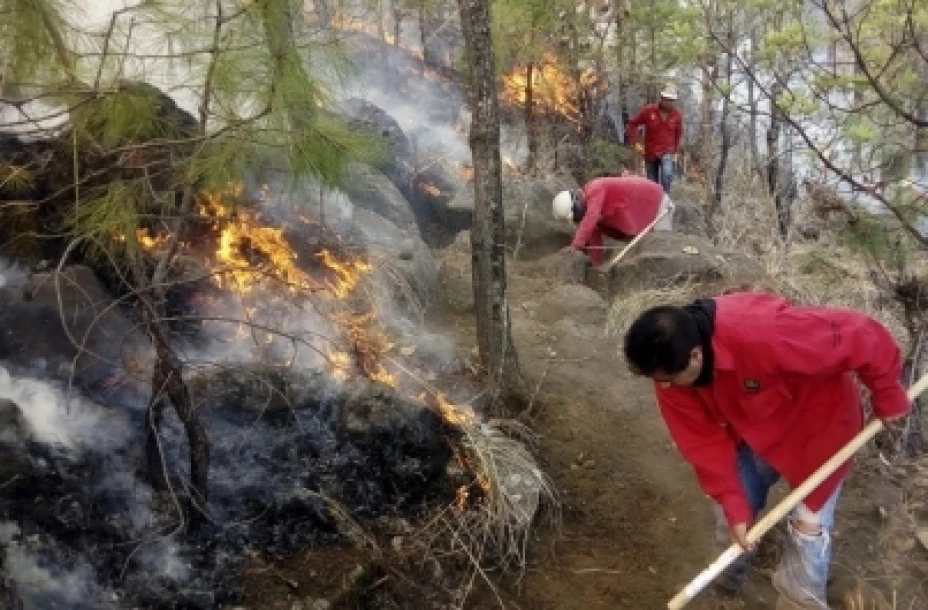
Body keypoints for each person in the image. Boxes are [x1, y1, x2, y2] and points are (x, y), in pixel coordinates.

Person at [622, 291, 910, 609]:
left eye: (669, 380)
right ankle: (725, 589)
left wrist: (888, 395)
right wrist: (734, 502)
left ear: (695, 355)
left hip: (820, 427)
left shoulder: (763, 331)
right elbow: (702, 442)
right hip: (755, 431)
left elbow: (861, 334)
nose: (663, 388)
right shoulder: (668, 371)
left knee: (808, 530)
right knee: (733, 517)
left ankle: (799, 601)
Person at [551, 175, 674, 267]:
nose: (578, 220)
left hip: (658, 203)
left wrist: (575, 246)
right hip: (641, 213)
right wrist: (596, 267)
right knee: (649, 254)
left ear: (577, 205)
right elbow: (594, 241)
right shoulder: (594, 212)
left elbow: (590, 219)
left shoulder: (595, 189)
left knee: (662, 251)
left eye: (576, 216)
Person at [627, 87, 683, 193]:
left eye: (671, 100)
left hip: (667, 150)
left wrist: (676, 151)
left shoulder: (677, 115)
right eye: (666, 99)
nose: (668, 102)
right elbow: (632, 124)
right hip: (650, 151)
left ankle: (665, 199)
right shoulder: (649, 111)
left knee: (667, 174)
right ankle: (654, 202)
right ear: (661, 98)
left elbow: (678, 133)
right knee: (652, 183)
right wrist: (636, 142)